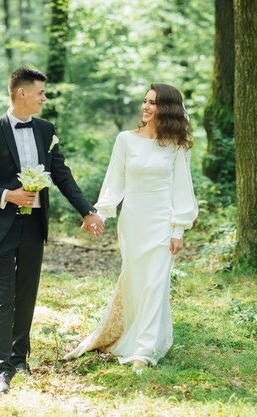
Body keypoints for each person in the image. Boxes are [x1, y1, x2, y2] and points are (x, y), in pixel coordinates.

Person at [0, 67, 105, 394]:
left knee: (26, 294)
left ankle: (20, 357)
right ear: (22, 93)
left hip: (33, 224)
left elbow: (62, 175)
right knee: (3, 298)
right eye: (40, 92)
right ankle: (2, 370)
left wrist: (87, 210)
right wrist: (6, 195)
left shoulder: (45, 130)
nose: (44, 98)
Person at [64, 83, 199, 372]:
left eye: (154, 103)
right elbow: (115, 181)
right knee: (137, 281)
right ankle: (133, 335)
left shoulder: (176, 145)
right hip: (133, 221)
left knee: (156, 283)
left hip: (162, 220)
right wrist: (100, 214)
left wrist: (179, 229)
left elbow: (182, 189)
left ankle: (144, 351)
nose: (146, 107)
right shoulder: (126, 140)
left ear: (168, 109)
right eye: (145, 101)